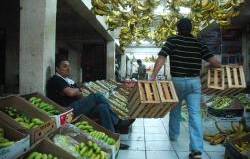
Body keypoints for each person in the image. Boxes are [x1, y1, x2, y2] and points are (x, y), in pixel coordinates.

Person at [151, 18, 221, 159]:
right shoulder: (199, 43)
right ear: (191, 29)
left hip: (177, 82)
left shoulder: (173, 40)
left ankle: (173, 136)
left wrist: (153, 77)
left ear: (177, 28)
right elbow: (216, 63)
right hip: (194, 82)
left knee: (175, 109)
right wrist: (206, 67)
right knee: (195, 114)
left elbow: (162, 58)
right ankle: (196, 150)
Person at [46, 56, 134, 148]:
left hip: (77, 106)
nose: (68, 69)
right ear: (57, 69)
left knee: (102, 108)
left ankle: (114, 140)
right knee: (96, 96)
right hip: (68, 111)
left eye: (69, 66)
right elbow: (71, 93)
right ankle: (118, 122)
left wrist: (76, 91)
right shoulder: (56, 79)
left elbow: (79, 94)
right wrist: (76, 90)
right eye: (64, 66)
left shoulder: (69, 81)